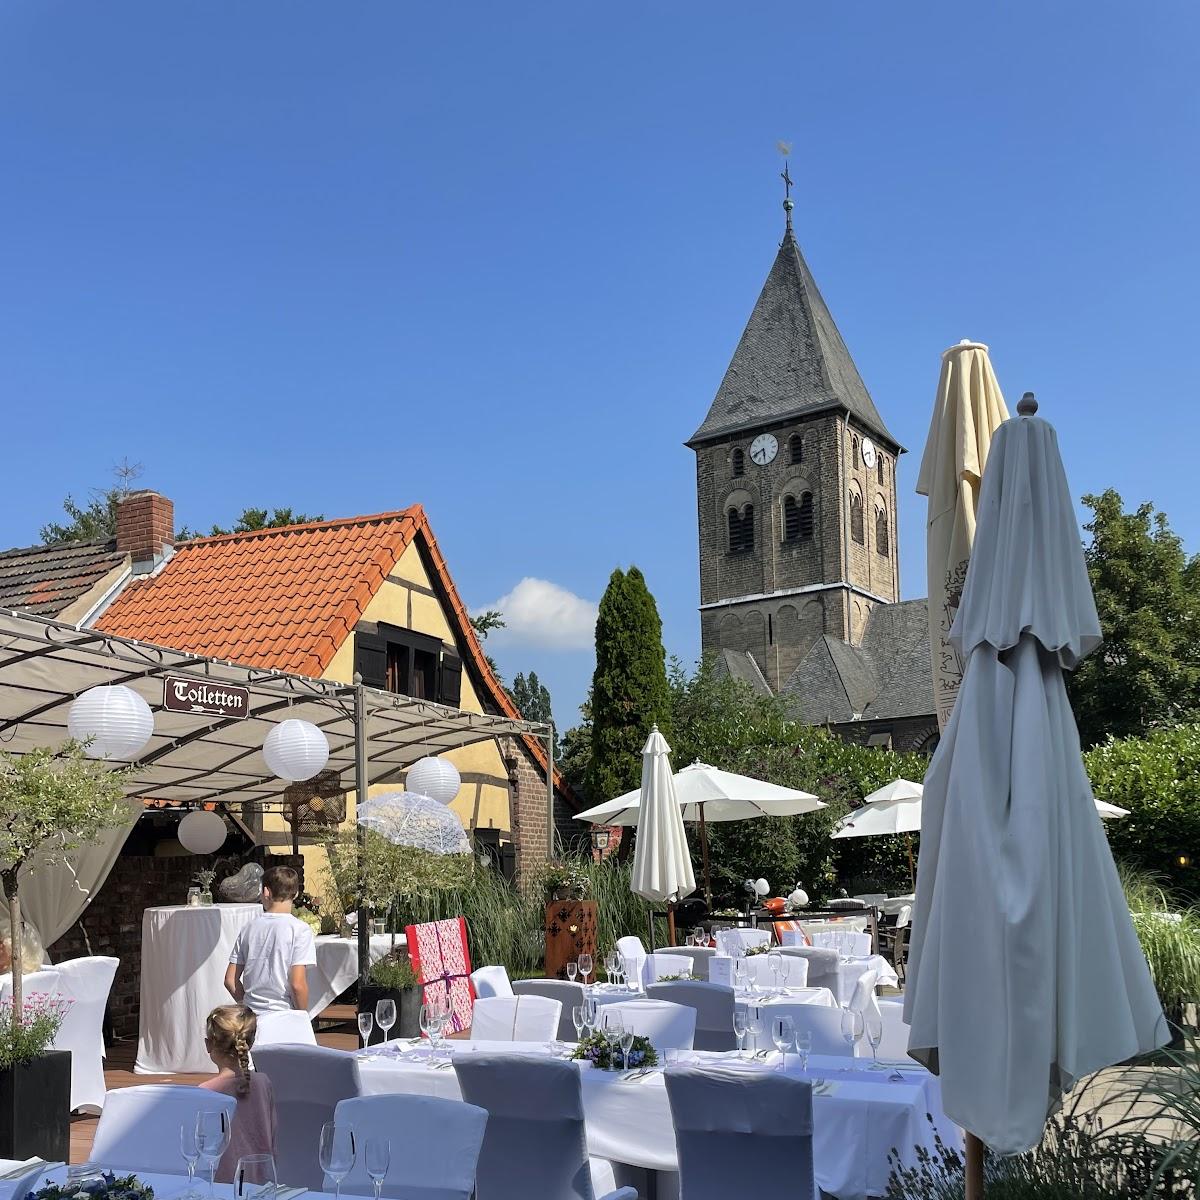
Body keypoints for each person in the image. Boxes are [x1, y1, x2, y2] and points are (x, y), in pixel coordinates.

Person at [199, 1005, 277, 1183]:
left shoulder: (206, 1092)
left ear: (208, 1044)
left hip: (221, 1185)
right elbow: (273, 1134)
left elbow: (202, 1150)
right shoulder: (263, 1082)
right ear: (249, 1043)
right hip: (262, 1180)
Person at [225, 866, 316, 1014]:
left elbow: (230, 980)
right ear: (296, 893)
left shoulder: (248, 928)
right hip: (284, 1013)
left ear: (266, 892)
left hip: (251, 1016)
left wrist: (247, 1006)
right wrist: (302, 1015)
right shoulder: (300, 930)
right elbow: (297, 984)